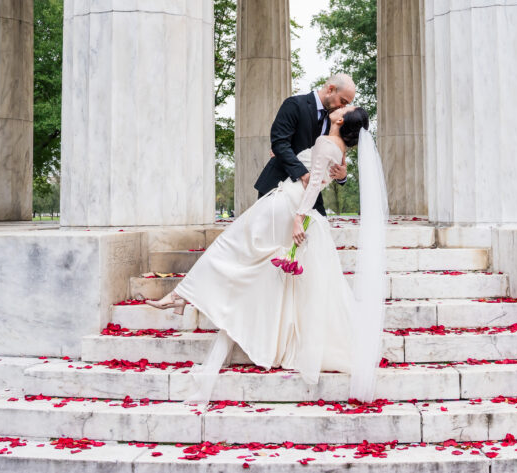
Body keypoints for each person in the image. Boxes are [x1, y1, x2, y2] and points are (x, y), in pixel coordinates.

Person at [140, 104, 387, 402]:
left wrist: (299, 217)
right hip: (294, 204)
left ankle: (184, 296)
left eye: (346, 107)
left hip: (289, 205)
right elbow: (321, 172)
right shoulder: (340, 149)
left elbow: (312, 186)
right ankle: (187, 298)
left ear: (340, 118)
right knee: (253, 261)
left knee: (231, 245)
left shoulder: (325, 143)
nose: (341, 107)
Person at [254, 74, 357, 216]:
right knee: (272, 236)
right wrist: (303, 174)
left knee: (317, 232)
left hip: (311, 195)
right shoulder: (294, 104)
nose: (343, 107)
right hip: (278, 186)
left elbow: (335, 156)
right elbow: (279, 143)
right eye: (343, 101)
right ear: (331, 89)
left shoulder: (336, 120)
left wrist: (342, 175)